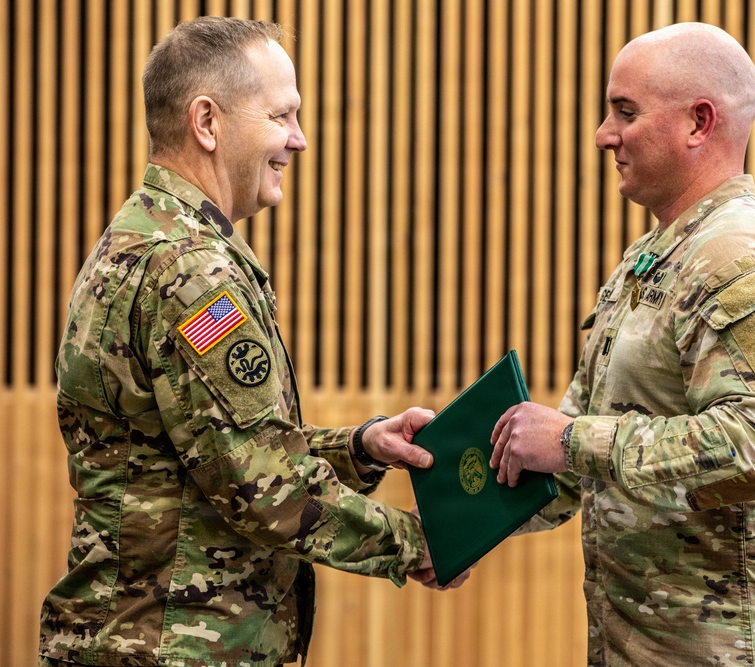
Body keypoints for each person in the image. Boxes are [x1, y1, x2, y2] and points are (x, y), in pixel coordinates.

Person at [38, 16, 461, 667]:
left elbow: (201, 453)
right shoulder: (191, 271)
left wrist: (359, 448)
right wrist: (420, 542)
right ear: (206, 122)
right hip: (173, 646)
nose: (301, 139)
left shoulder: (143, 237)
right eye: (282, 115)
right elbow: (263, 488)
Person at [490, 22, 755, 666]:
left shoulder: (736, 255)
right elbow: (579, 456)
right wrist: (451, 509)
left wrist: (570, 441)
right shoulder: (655, 257)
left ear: (699, 123)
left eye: (624, 112)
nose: (605, 134)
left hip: (745, 647)